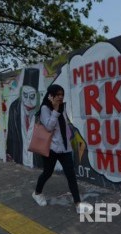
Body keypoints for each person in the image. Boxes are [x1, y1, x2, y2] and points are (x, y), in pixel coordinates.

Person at [31, 84, 93, 214]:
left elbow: (64, 125)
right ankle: (37, 193)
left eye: (62, 94)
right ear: (51, 95)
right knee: (47, 172)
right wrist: (55, 109)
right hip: (52, 148)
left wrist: (71, 138)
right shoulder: (45, 109)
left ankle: (78, 204)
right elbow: (49, 127)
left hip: (65, 148)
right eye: (57, 94)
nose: (60, 97)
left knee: (71, 175)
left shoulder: (62, 107)